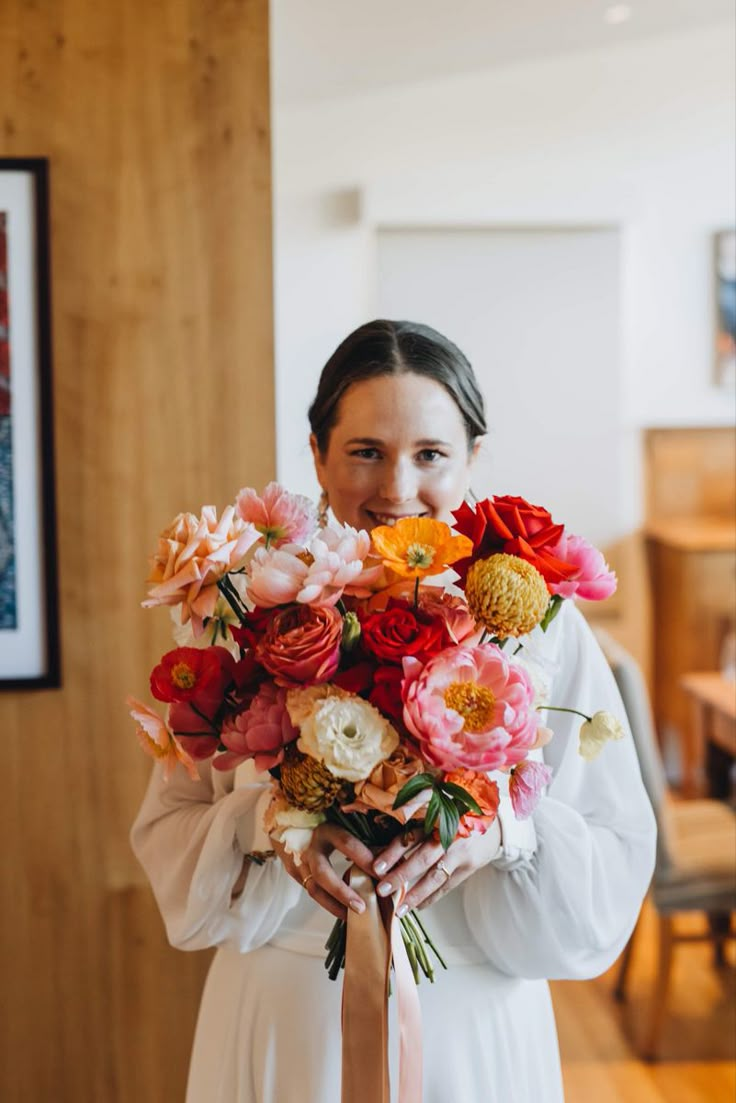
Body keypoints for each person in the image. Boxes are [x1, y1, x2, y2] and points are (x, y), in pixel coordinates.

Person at [131, 319, 656, 1102]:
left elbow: (616, 852)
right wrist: (264, 824)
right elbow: (170, 836)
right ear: (317, 453)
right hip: (284, 1014)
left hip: (473, 1021)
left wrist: (504, 835)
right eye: (366, 452)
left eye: (431, 455)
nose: (398, 488)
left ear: (473, 457)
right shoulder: (245, 616)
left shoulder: (538, 630)